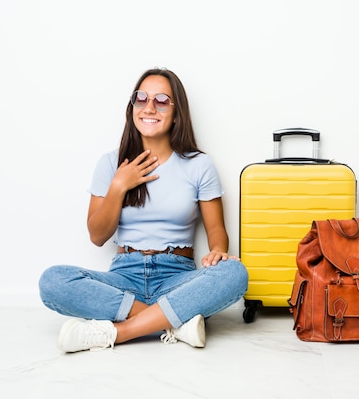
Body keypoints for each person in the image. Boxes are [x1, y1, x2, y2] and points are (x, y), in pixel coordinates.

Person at [39, 68, 249, 353]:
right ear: (132, 107)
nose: (149, 107)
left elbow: (216, 231)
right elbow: (97, 236)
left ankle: (120, 332)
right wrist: (118, 186)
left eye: (161, 100)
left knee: (235, 273)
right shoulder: (110, 164)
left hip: (178, 278)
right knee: (52, 281)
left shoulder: (199, 165)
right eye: (141, 98)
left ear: (177, 113)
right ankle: (173, 323)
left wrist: (217, 252)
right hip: (124, 277)